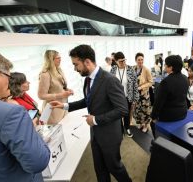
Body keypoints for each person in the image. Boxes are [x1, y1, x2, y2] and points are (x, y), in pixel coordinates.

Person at [50, 45, 132, 182]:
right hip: (96, 134)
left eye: (76, 64)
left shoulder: (109, 80)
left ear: (87, 62)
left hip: (110, 135)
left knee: (114, 167)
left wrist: (95, 120)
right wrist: (65, 105)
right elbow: (88, 100)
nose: (75, 69)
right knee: (100, 169)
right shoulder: (88, 79)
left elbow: (123, 109)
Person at [0, 51, 50, 181]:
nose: (9, 81)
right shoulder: (11, 112)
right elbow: (38, 162)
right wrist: (32, 131)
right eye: (8, 76)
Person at [151, 55, 188, 137]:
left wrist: (153, 117)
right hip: (183, 113)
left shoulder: (166, 82)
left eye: (165, 64)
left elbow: (158, 102)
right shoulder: (185, 78)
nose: (164, 66)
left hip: (169, 116)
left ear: (171, 67)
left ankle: (157, 142)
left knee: (152, 124)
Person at [38, 50, 73, 124]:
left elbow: (60, 87)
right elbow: (41, 95)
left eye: (60, 57)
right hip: (52, 110)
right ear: (51, 60)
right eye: (58, 58)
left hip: (62, 105)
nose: (60, 59)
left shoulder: (59, 70)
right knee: (56, 133)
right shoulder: (45, 74)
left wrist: (67, 90)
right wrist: (60, 95)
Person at [110, 52, 139, 137]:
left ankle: (127, 127)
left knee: (126, 114)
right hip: (116, 98)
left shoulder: (130, 69)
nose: (123, 63)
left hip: (127, 97)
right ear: (115, 61)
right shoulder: (113, 69)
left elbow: (135, 85)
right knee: (117, 114)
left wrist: (135, 99)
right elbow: (110, 84)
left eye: (124, 60)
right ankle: (119, 129)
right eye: (120, 61)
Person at [133, 53, 153, 133]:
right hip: (136, 94)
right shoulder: (133, 69)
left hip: (144, 95)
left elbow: (151, 82)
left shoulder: (146, 70)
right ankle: (141, 124)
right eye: (139, 60)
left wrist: (141, 87)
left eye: (142, 59)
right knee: (137, 110)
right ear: (136, 60)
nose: (140, 61)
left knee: (145, 110)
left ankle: (145, 125)